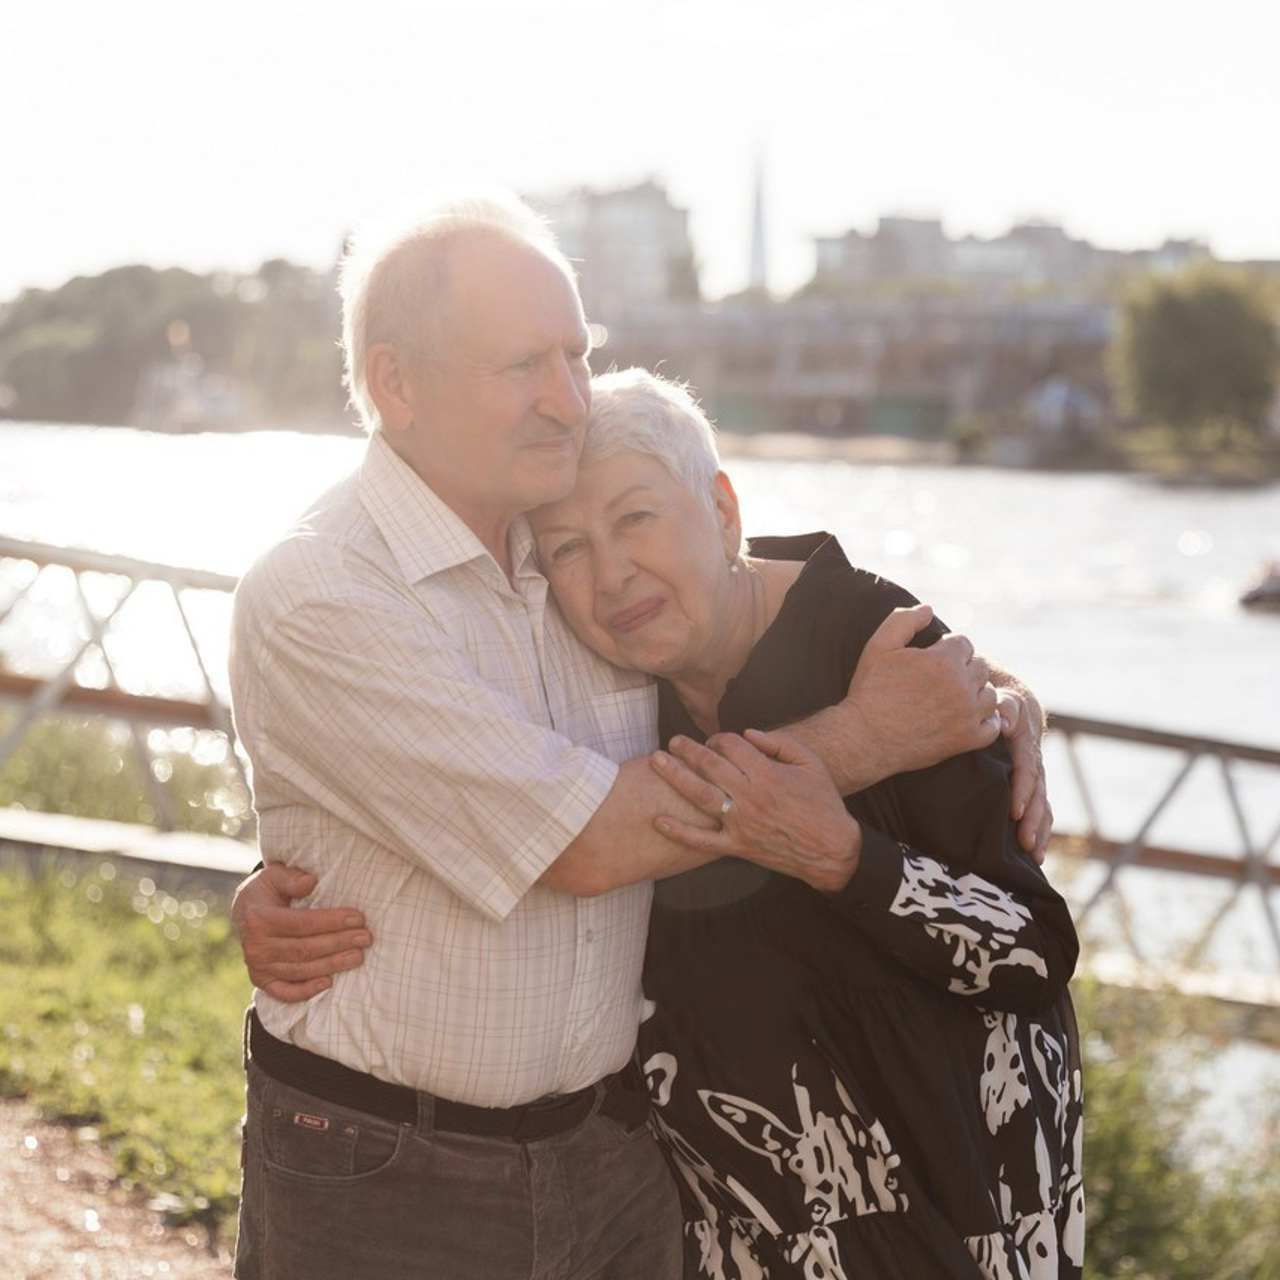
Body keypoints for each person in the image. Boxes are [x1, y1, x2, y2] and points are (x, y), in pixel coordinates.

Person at [227, 185, 1040, 1279]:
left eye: (577, 355)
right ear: (394, 383)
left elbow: (751, 599)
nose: (567, 399)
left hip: (619, 1163)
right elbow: (587, 842)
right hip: (393, 1169)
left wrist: (985, 686)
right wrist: (866, 736)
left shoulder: (564, 555)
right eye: (523, 365)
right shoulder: (323, 593)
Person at [523, 368, 1084, 1277]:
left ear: (722, 508)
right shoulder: (601, 691)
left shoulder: (884, 651)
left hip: (953, 1224)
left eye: (635, 519)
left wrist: (853, 863)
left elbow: (1033, 950)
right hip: (734, 1232)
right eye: (566, 548)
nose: (612, 572)